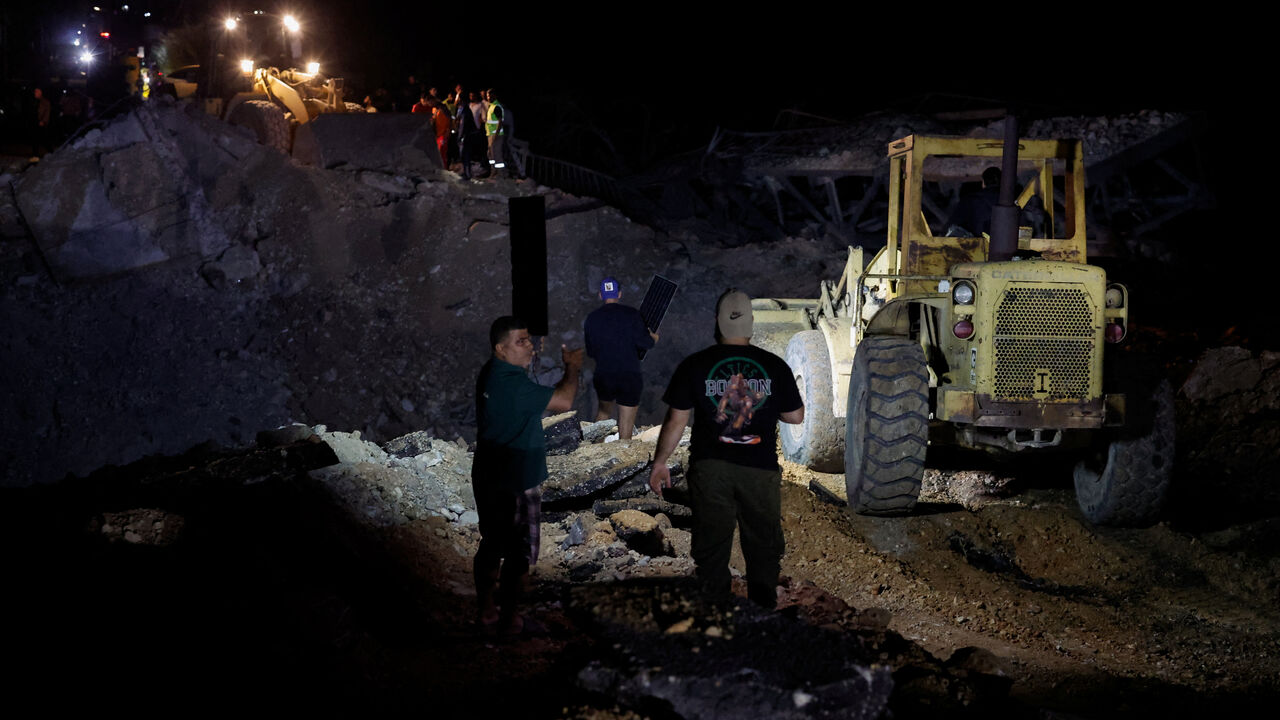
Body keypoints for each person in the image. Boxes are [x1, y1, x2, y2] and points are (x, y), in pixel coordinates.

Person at [648, 289, 803, 609]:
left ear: (717, 324)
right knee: (763, 545)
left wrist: (660, 462)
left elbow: (676, 420)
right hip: (759, 469)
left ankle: (714, 613)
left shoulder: (695, 364)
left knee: (711, 545)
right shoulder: (774, 366)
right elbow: (795, 416)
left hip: (710, 467)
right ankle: (762, 612)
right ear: (751, 324)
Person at [472, 316, 583, 634]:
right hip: (515, 479)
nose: (530, 346)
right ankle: (510, 621)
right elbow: (564, 401)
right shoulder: (512, 383)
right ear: (500, 348)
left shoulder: (491, 373)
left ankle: (486, 613)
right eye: (521, 341)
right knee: (518, 555)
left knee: (492, 545)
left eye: (529, 340)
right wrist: (572, 367)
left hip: (491, 473)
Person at [583, 276, 658, 440]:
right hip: (629, 374)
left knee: (603, 413)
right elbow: (647, 343)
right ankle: (623, 448)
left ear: (600, 295)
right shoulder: (632, 314)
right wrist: (653, 337)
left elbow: (591, 351)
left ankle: (593, 452)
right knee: (626, 421)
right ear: (620, 294)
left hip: (604, 374)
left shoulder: (592, 318)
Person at [946, 166, 1001, 237]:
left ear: (983, 183)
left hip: (978, 244)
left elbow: (953, 223)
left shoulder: (971, 200)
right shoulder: (1013, 199)